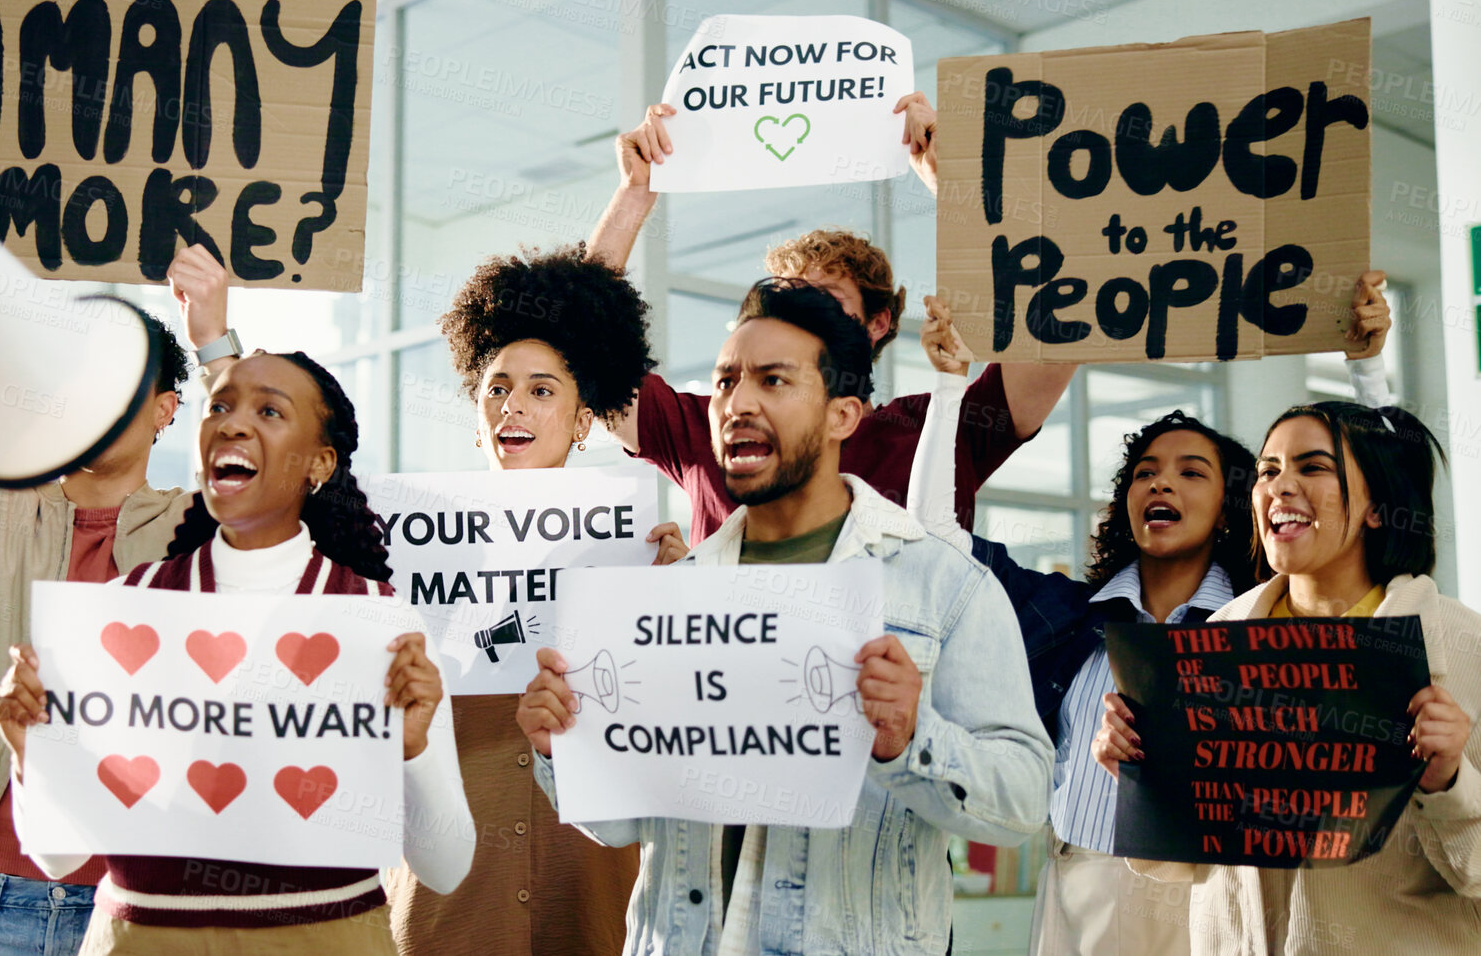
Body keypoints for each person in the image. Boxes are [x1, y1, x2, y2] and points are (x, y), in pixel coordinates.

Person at [517, 278, 1052, 954]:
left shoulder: (942, 588)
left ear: (842, 415)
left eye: (773, 380)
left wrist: (912, 735)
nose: (736, 404)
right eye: (724, 382)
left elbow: (1023, 802)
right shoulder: (668, 595)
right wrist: (560, 745)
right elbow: (623, 826)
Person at [906, 273, 1396, 955]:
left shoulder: (1264, 626)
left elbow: (1388, 531)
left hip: (1214, 901)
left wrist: (1366, 368)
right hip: (1073, 895)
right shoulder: (1067, 618)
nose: (1160, 480)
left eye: (1190, 471)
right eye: (1144, 471)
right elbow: (933, 539)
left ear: (1232, 503)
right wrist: (948, 384)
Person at [0, 352, 474, 955]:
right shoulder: (119, 612)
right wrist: (30, 752)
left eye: (269, 410)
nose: (233, 423)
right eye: (219, 405)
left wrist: (415, 751)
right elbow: (60, 856)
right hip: (141, 939)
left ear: (320, 463)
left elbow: (446, 867)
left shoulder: (382, 624)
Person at [582, 98, 1077, 542]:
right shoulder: (714, 421)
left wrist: (962, 191)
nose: (802, 312)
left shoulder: (938, 427)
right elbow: (583, 352)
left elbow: (1064, 328)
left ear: (878, 323)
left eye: (827, 297)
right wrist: (633, 195)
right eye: (788, 296)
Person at [1093, 400, 1481, 954]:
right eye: (1269, 470)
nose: (1280, 486)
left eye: (1313, 467)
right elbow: (1187, 862)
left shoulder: (1465, 651)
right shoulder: (1214, 640)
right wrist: (1141, 772)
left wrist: (1448, 783)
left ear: (1378, 507)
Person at [388, 246, 686, 956]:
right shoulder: (406, 547)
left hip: (591, 890)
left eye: (541, 389)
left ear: (584, 420)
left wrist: (683, 604)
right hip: (450, 901)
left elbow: (678, 727)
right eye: (496, 387)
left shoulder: (637, 546)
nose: (513, 404)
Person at [0, 273, 209, 954]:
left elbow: (284, 485)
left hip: (141, 904)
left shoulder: (192, 526)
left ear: (165, 409)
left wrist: (214, 336)